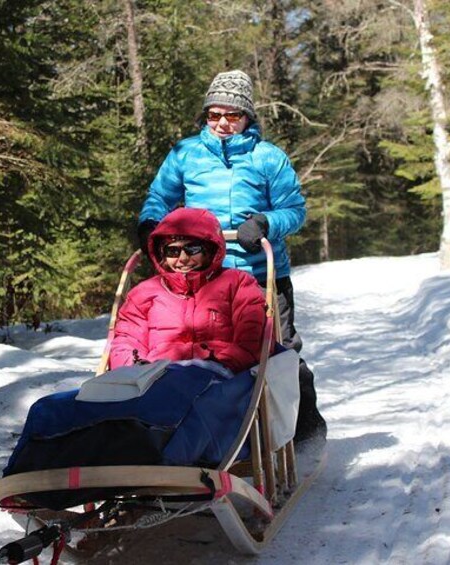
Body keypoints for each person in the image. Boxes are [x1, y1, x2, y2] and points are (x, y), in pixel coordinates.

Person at [136, 69, 327, 442]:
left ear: (247, 117)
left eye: (232, 115)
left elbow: (295, 210)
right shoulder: (185, 154)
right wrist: (150, 223)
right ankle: (214, 438)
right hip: (206, 277)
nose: (223, 123)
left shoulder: (268, 157)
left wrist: (265, 223)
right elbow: (159, 197)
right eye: (214, 114)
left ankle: (304, 435)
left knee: (280, 355)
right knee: (211, 357)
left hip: (261, 274)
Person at [110, 207, 266, 375]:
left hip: (220, 376)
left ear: (209, 250)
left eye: (192, 249)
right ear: (162, 254)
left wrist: (223, 364)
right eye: (173, 251)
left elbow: (252, 340)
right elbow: (127, 341)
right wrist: (137, 369)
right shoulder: (143, 294)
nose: (182, 258)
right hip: (156, 378)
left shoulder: (237, 284)